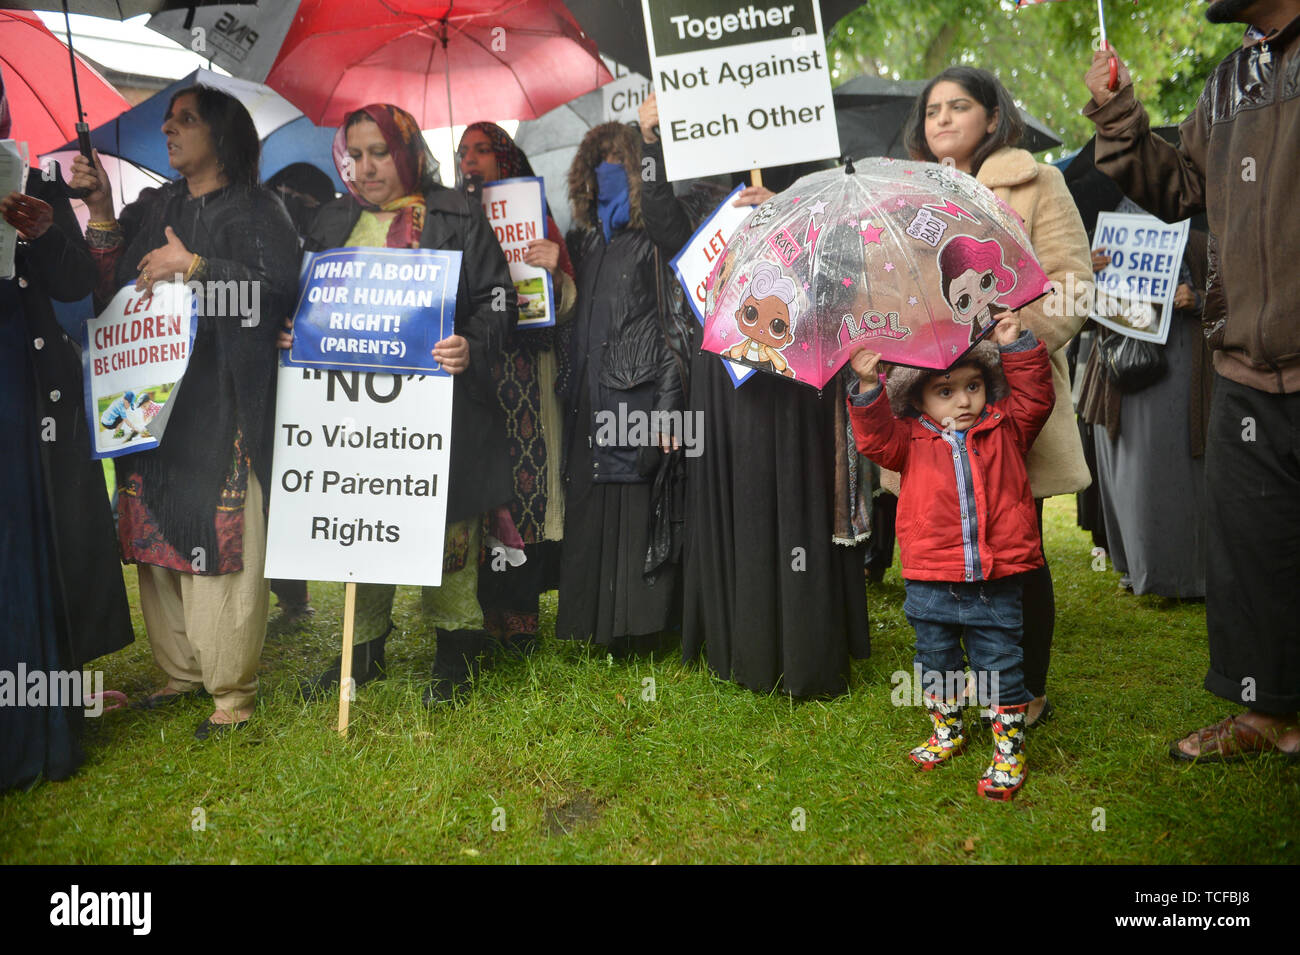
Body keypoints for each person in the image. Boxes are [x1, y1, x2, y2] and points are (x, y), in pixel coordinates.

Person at [1082, 0, 1300, 761]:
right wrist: (1117, 115)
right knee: (1249, 551)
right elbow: (1179, 190)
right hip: (1242, 365)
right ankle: (1262, 713)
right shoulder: (1229, 79)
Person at [69, 85, 299, 740]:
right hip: (153, 403)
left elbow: (272, 293)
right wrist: (103, 209)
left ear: (222, 135)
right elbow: (114, 288)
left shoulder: (259, 209)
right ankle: (180, 672)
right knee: (154, 532)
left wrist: (193, 266)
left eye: (185, 120)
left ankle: (232, 696)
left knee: (217, 543)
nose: (170, 130)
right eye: (168, 121)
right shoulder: (158, 203)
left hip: (222, 406)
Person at [636, 94, 871, 697]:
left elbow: (851, 263)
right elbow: (662, 228)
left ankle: (802, 639)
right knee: (738, 488)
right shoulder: (699, 176)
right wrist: (651, 145)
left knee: (790, 489)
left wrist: (793, 215)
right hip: (725, 373)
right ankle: (740, 635)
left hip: (795, 369)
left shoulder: (819, 166)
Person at [291, 104, 517, 705]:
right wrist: (296, 331)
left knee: (446, 525)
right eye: (354, 154)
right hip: (353, 414)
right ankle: (360, 651)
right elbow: (303, 300)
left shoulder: (457, 212)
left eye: (379, 153)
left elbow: (500, 299)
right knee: (361, 522)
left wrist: (471, 343)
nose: (364, 167)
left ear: (408, 150)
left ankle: (456, 647)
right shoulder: (331, 219)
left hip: (441, 409)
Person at [901, 66, 1093, 727]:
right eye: (933, 111)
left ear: (991, 116)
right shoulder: (903, 201)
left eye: (959, 106)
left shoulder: (1039, 182)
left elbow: (1072, 283)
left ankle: (1025, 687)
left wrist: (1015, 331)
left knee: (1018, 546)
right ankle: (953, 686)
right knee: (943, 551)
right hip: (934, 405)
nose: (944, 119)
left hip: (1012, 400)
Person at [847, 315, 1055, 800]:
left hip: (994, 575)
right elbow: (873, 439)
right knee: (935, 660)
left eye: (974, 386)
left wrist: (1014, 344)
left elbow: (1036, 398)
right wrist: (866, 385)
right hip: (930, 578)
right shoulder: (908, 440)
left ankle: (1008, 751)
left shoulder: (1006, 426)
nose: (964, 400)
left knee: (1001, 663)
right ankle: (948, 732)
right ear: (916, 399)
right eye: (946, 391)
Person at [1, 95, 133, 787]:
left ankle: (59, 685)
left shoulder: (36, 181)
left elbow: (79, 281)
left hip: (37, 386)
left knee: (54, 526)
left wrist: (50, 231)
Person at [555, 121, 687, 653]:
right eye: (596, 158)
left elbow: (674, 326)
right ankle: (597, 625)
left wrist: (671, 408)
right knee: (594, 503)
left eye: (617, 157)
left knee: (636, 504)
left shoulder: (656, 235)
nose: (604, 168)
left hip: (641, 392)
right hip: (589, 396)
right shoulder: (586, 242)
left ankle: (643, 632)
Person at [455, 122, 576, 655]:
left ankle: (522, 611)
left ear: (506, 157)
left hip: (532, 371)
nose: (469, 160)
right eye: (462, 152)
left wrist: (555, 272)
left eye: (482, 149)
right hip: (478, 370)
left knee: (528, 488)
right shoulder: (451, 219)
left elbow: (573, 305)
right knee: (484, 484)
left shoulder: (537, 216)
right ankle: (480, 612)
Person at [1082, 232, 1211, 597]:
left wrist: (1198, 298)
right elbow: (1074, 309)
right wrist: (1085, 272)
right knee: (1129, 466)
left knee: (1177, 466)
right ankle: (1136, 567)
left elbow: (1242, 289)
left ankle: (1186, 576)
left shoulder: (1208, 220)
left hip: (1183, 363)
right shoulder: (1109, 221)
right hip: (1119, 370)